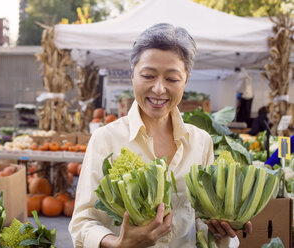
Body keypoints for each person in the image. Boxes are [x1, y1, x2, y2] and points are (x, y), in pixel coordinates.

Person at [69, 23, 252, 248]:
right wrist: (117, 243)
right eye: (148, 75)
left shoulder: (201, 142)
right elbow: (83, 222)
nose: (158, 89)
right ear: (133, 74)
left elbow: (202, 224)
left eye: (172, 79)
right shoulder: (105, 139)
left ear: (186, 80)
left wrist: (224, 230)